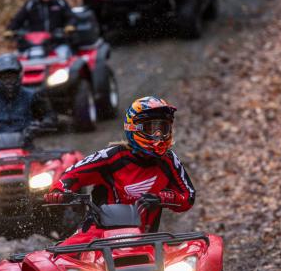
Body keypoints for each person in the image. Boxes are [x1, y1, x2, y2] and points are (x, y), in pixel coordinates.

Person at [44, 96, 195, 232]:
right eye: (151, 128)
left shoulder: (168, 160)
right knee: (60, 259)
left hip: (146, 241)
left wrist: (162, 198)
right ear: (134, 128)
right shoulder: (112, 156)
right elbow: (71, 174)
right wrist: (59, 192)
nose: (158, 136)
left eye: (163, 129)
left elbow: (188, 197)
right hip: (99, 236)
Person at [0, 53, 54, 142]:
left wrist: (41, 125)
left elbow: (50, 116)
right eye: (4, 78)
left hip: (27, 147)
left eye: (12, 77)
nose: (8, 82)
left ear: (19, 76)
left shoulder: (31, 96)